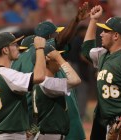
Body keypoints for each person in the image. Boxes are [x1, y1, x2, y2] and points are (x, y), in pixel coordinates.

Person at [81, 5, 121, 140]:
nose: (101, 34)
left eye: (105, 31)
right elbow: (86, 50)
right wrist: (93, 20)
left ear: (116, 35)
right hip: (107, 121)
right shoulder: (103, 54)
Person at [34, 2, 89, 140]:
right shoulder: (48, 54)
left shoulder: (34, 55)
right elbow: (75, 81)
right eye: (55, 35)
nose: (59, 37)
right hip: (52, 129)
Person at [0, 32, 46, 140]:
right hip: (10, 135)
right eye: (14, 45)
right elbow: (40, 76)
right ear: (5, 50)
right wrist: (40, 48)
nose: (18, 47)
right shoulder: (9, 75)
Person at [33, 46, 81, 140]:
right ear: (46, 61)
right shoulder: (47, 83)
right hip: (50, 135)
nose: (58, 61)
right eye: (55, 59)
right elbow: (76, 80)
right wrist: (60, 59)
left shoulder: (42, 82)